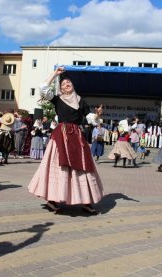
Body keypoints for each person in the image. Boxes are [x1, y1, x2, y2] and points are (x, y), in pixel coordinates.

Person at [28, 66, 103, 214]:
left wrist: (97, 115)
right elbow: (43, 88)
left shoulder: (81, 101)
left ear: (72, 85)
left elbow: (89, 118)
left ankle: (86, 201)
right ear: (60, 88)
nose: (66, 85)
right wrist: (54, 74)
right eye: (63, 84)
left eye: (68, 83)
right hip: (60, 137)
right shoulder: (57, 99)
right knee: (59, 166)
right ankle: (52, 200)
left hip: (76, 136)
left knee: (83, 166)